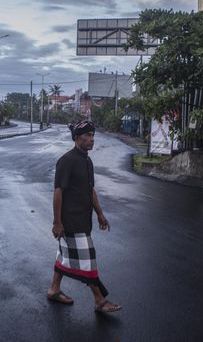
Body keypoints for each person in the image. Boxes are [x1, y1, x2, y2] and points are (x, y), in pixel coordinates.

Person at [46, 120, 122, 313]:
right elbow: (58, 192)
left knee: (65, 256)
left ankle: (54, 289)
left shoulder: (87, 161)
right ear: (76, 137)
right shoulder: (67, 160)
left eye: (93, 135)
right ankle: (99, 300)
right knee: (88, 259)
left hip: (83, 218)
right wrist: (57, 222)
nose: (91, 139)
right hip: (71, 220)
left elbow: (90, 191)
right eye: (87, 135)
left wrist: (100, 214)